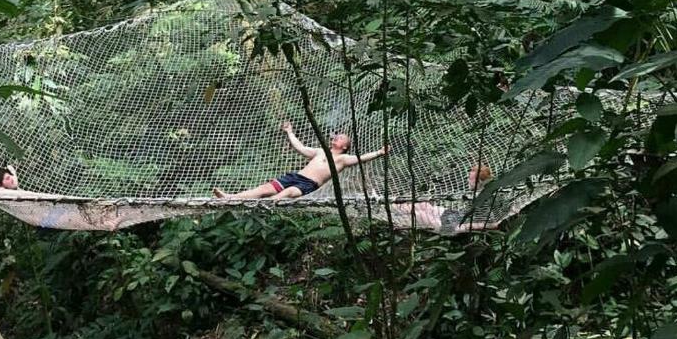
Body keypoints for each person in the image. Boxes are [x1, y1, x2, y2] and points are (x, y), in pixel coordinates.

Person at [212, 120, 388, 200]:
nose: (336, 136)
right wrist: (290, 132)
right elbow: (301, 148)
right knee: (264, 188)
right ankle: (229, 197)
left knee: (288, 194)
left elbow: (361, 158)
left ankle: (265, 205)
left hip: (307, 185)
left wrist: (379, 152)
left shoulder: (343, 159)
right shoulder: (320, 152)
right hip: (295, 176)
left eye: (341, 137)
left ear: (344, 146)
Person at [401, 163, 495, 232]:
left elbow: (493, 223)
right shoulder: (476, 193)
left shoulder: (485, 197)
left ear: (479, 181)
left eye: (470, 179)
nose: (467, 180)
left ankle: (391, 216)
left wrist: (463, 228)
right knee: (423, 206)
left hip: (452, 225)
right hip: (454, 215)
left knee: (418, 214)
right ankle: (388, 208)